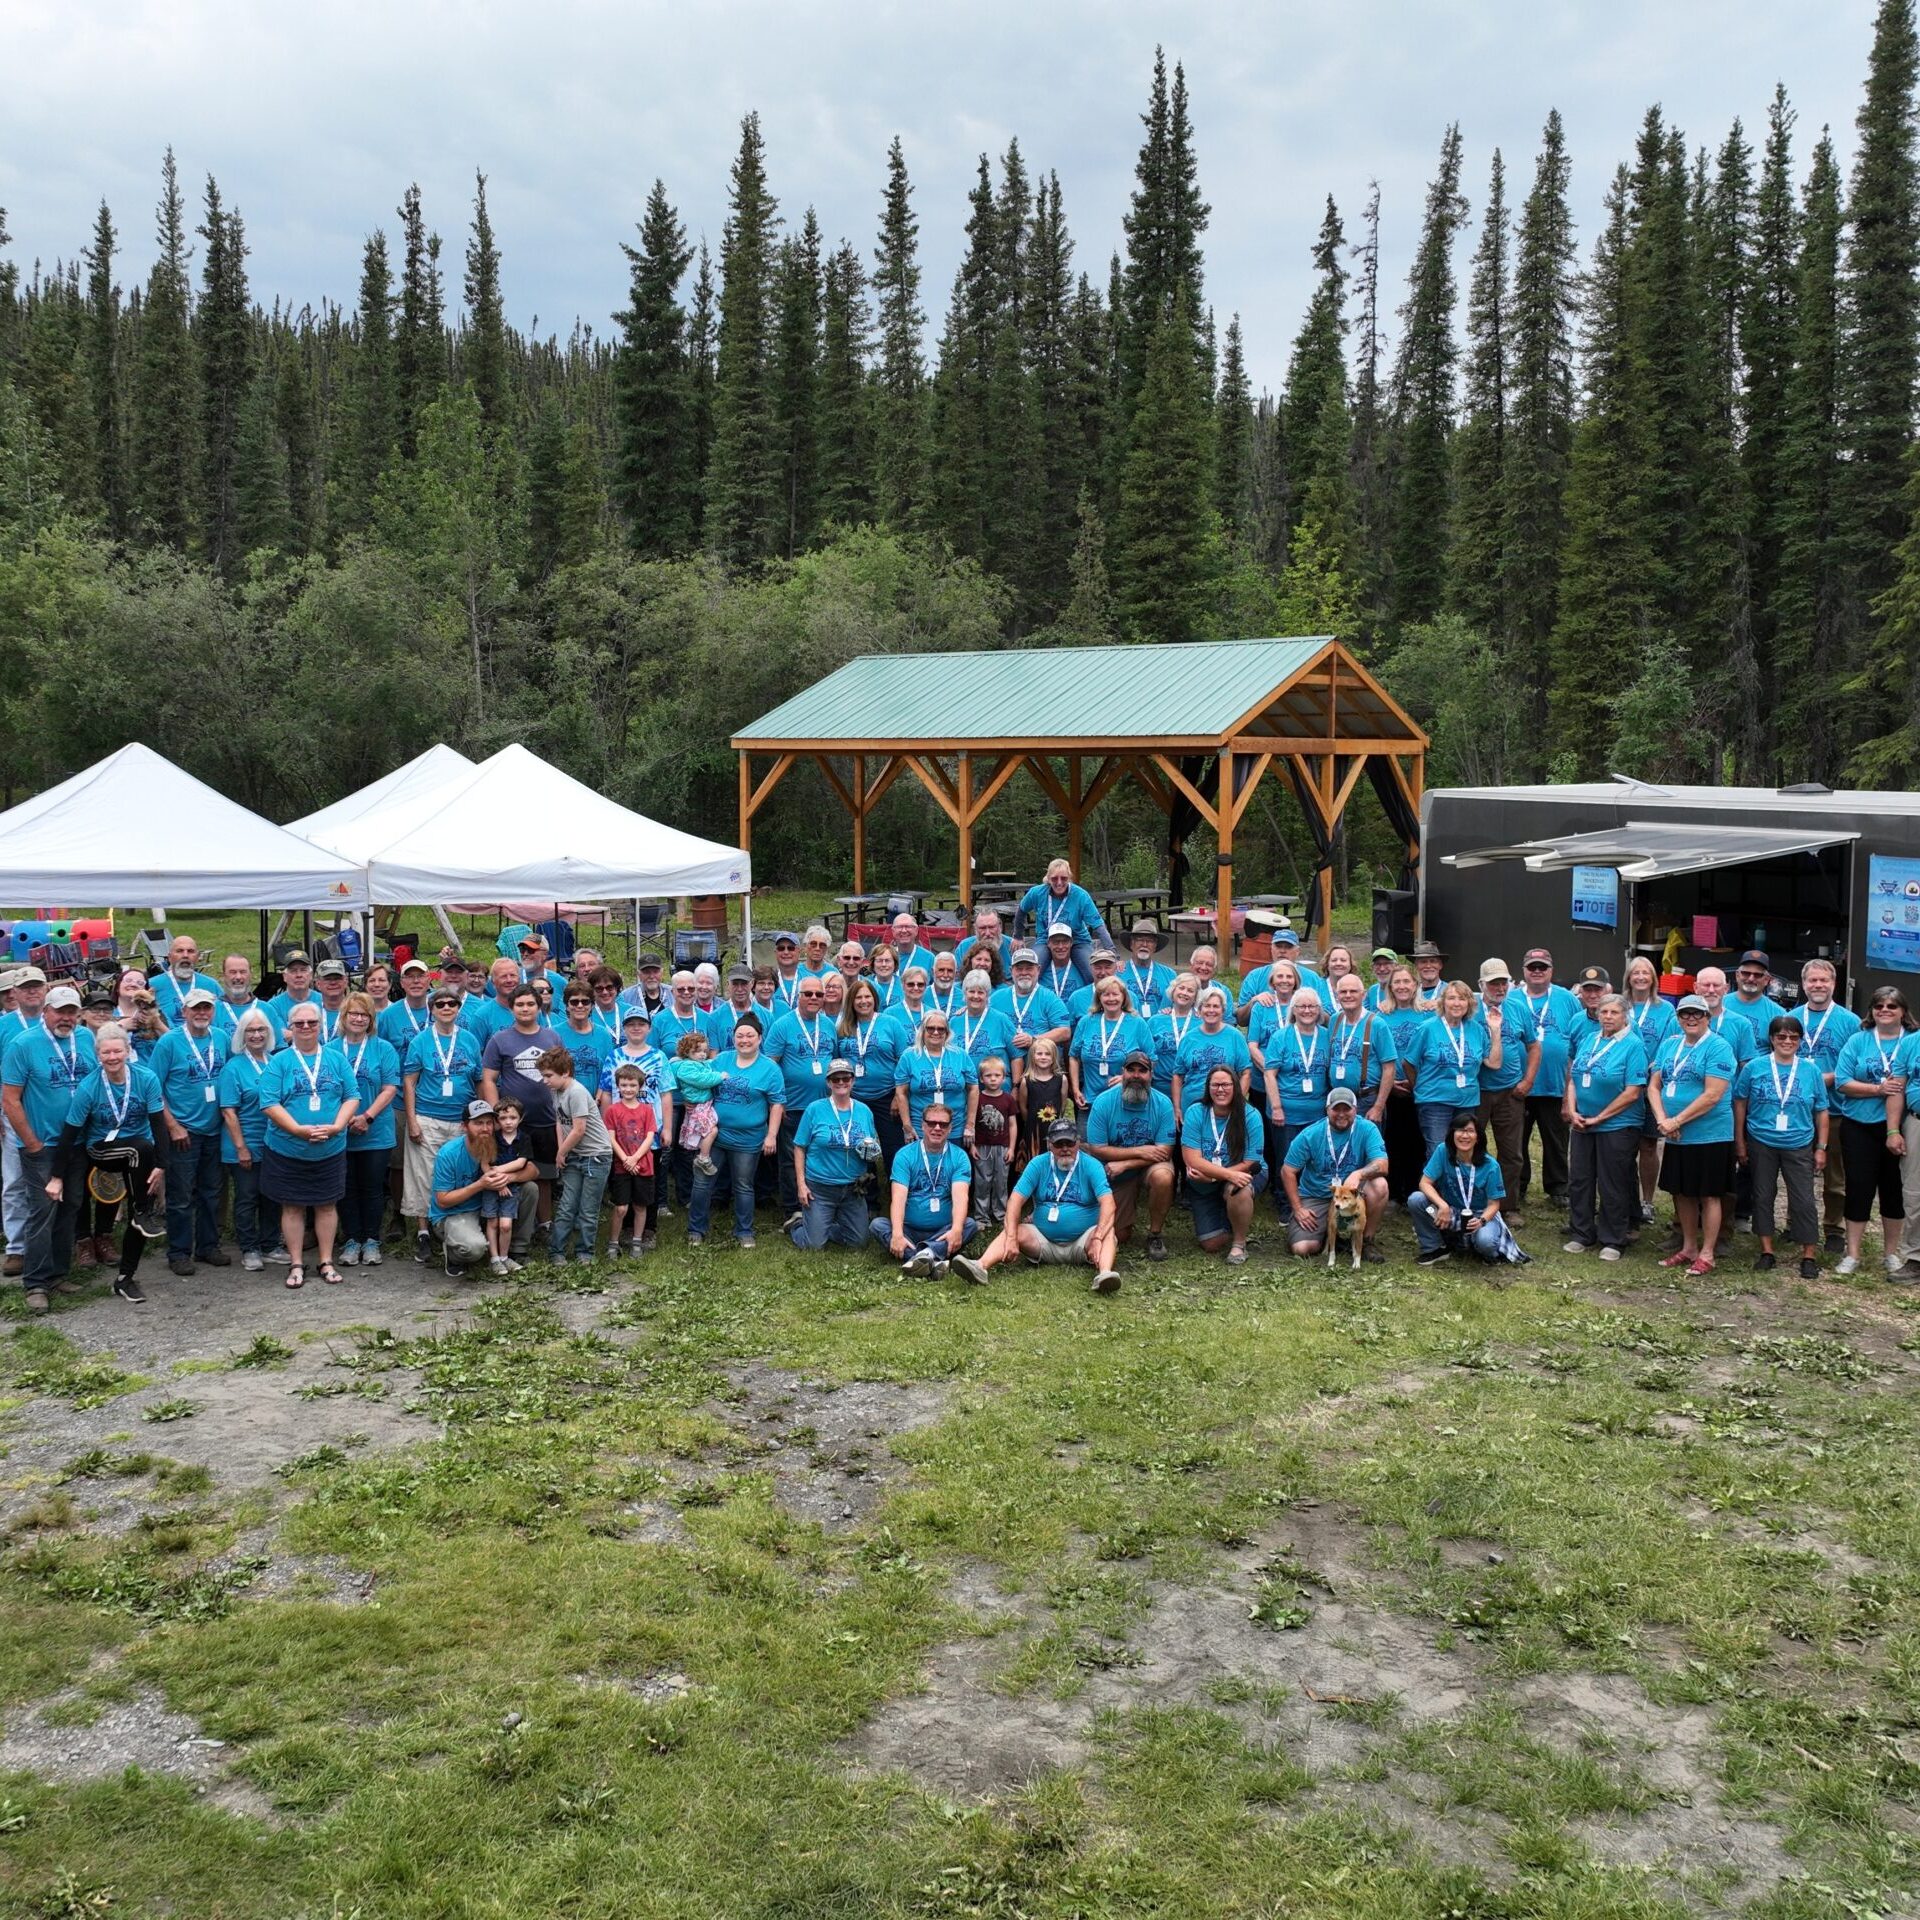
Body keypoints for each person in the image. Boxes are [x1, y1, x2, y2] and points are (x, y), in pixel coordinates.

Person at [50, 1022, 168, 1303]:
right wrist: (56, 1176)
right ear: (98, 1055)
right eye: (106, 1053)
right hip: (102, 1150)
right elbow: (69, 1134)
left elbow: (158, 1124)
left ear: (128, 1051)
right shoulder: (89, 1087)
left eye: (117, 1051)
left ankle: (125, 1278)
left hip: (140, 1157)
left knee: (140, 1211)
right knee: (140, 1150)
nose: (112, 1057)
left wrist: (162, 1166)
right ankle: (142, 1211)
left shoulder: (146, 1078)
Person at [3, 984, 99, 1312]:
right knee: (43, 1210)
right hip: (42, 1146)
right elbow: (10, 1099)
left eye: (72, 1011)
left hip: (77, 1144)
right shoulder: (24, 1044)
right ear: (46, 1011)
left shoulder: (86, 1039)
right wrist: (30, 1142)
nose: (67, 1017)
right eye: (60, 1011)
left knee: (71, 1206)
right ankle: (35, 1283)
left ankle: (58, 1273)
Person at [954, 1117, 1120, 1293]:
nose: (1065, 1149)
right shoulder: (1038, 1164)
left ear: (1078, 1142)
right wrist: (1011, 1238)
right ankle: (980, 1266)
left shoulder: (1091, 1165)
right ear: (1049, 1144)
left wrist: (1096, 1238)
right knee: (1014, 1229)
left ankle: (1104, 1275)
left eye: (1069, 1143)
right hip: (1043, 1242)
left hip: (1084, 1242)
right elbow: (1015, 1201)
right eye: (1059, 1144)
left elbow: (1108, 1204)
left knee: (1108, 1232)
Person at [258, 1003, 360, 1288]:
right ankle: (296, 1262)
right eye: (299, 1023)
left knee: (327, 1205)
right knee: (292, 1207)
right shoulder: (279, 1062)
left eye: (311, 1023)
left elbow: (352, 1095)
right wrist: (297, 1130)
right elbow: (268, 1102)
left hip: (330, 1147)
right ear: (290, 1028)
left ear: (320, 1026)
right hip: (288, 1148)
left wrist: (339, 1125)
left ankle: (326, 1261)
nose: (305, 1028)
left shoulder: (336, 1059)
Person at [1647, 994, 1738, 1277]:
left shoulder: (1718, 1047)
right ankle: (1688, 1247)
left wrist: (1677, 1119)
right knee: (1682, 1192)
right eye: (1685, 1014)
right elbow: (1654, 1085)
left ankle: (1708, 1253)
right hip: (1676, 1134)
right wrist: (1663, 1120)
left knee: (1709, 1194)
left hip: (1709, 1134)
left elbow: (1713, 1095)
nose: (1691, 1019)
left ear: (1707, 1018)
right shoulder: (1670, 1044)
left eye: (1697, 1014)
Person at [1735, 1016, 1828, 1279]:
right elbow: (1740, 1103)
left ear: (1800, 1040)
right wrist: (1740, 1141)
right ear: (1772, 1039)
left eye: (1793, 1037)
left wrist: (1821, 1146)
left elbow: (1821, 1110)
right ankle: (1767, 1250)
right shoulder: (1754, 1067)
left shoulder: (1811, 1071)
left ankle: (1808, 1254)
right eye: (1781, 1036)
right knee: (1762, 1196)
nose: (1787, 1041)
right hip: (1761, 1140)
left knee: (1804, 1200)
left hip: (1798, 1143)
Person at [147, 987, 229, 1277]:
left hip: (215, 1129)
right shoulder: (169, 1042)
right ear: (184, 1011)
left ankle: (208, 1245)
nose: (201, 1013)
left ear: (213, 1011)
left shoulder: (221, 1038)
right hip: (184, 1131)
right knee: (181, 1196)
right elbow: (153, 1090)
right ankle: (179, 1251)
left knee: (211, 1192)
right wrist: (172, 1126)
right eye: (195, 1008)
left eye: (206, 1008)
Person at [1562, 993, 1650, 1262]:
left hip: (1617, 1124)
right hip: (1582, 1122)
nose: (1608, 1017)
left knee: (1613, 1182)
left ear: (1625, 1016)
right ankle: (1582, 1232)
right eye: (1604, 1012)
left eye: (1614, 1012)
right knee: (1580, 1178)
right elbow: (1575, 1077)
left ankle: (1613, 1237)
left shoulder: (1633, 1045)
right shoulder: (1590, 1039)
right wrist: (1573, 1109)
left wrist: (1600, 1117)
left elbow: (1633, 1091)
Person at [402, 983, 486, 1264]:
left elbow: (478, 1081)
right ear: (432, 1010)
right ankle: (424, 1232)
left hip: (462, 1120)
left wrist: (483, 1118)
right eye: (440, 1004)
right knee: (424, 1176)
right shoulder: (421, 1041)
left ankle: (453, 1228)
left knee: (460, 1174)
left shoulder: (470, 1040)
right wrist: (412, 1120)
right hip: (428, 1117)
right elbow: (410, 1082)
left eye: (452, 1003)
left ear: (458, 1008)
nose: (447, 1008)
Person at [1831, 986, 1912, 1278]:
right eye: (1879, 1006)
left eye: (1892, 1006)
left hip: (1902, 1128)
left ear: (1903, 1011)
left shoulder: (1912, 1041)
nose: (1885, 1011)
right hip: (1859, 1126)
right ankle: (1852, 1253)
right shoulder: (1858, 1040)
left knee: (1894, 1190)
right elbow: (1842, 1081)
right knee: (1858, 1187)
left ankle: (1891, 1253)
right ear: (1871, 1011)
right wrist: (1877, 1089)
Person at [689, 1017, 784, 1249]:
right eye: (740, 1035)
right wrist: (691, 1100)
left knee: (743, 1184)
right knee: (703, 1181)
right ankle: (696, 1229)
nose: (745, 1040)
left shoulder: (770, 1069)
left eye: (750, 1035)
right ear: (734, 1037)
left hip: (748, 1139)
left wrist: (771, 1135)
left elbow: (777, 1104)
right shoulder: (721, 1059)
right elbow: (699, 1079)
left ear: (760, 1038)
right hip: (715, 1135)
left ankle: (744, 1231)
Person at [479, 984, 564, 1245]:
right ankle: (511, 1228)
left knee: (545, 1176)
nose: (525, 1009)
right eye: (520, 1004)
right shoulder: (500, 1040)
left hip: (547, 1119)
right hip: (513, 1125)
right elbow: (489, 1078)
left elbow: (562, 1076)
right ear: (511, 1008)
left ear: (539, 1007)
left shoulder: (551, 1037)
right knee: (513, 1174)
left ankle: (545, 1224)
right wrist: (497, 1113)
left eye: (530, 1004)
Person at [1791, 958, 1861, 1256]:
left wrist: (1818, 1080)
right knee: (1796, 1174)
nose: (1818, 985)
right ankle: (1796, 1224)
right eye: (1812, 980)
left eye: (1824, 981)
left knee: (1835, 1176)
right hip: (1796, 1111)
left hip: (1835, 1111)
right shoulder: (1791, 1017)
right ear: (1804, 984)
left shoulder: (1850, 1022)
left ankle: (1835, 1229)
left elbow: (1855, 1067)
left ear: (1834, 984)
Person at [1085, 1048, 1176, 1260]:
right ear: (1122, 1072)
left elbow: (1164, 1151)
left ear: (1151, 1075)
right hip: (1116, 1173)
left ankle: (1155, 1234)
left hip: (1145, 1166)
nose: (1136, 1075)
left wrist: (1126, 1163)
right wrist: (1141, 1151)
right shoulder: (1104, 1101)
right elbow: (1096, 1148)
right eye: (1131, 1070)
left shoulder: (1163, 1104)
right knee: (1120, 1235)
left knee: (1163, 1176)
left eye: (1142, 1071)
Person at [1281, 1084, 1390, 1261]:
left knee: (1379, 1185)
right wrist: (1298, 1208)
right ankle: (1329, 1234)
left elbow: (1382, 1165)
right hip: (1318, 1195)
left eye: (1346, 1109)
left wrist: (1358, 1174)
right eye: (1335, 1109)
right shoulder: (1311, 1134)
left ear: (1355, 1110)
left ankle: (1366, 1240)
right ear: (1327, 1110)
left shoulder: (1368, 1129)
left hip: (1352, 1193)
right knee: (1302, 1248)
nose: (1341, 1114)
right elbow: (1288, 1171)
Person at [765, 974, 839, 1227]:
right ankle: (793, 1209)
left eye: (819, 994)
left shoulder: (828, 1025)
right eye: (808, 994)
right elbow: (771, 1065)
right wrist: (777, 1101)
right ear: (799, 997)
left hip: (824, 1105)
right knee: (790, 1158)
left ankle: (820, 1203)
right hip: (793, 1105)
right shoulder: (783, 1025)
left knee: (820, 1154)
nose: (814, 999)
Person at [429, 1101, 533, 1277]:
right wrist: (480, 1185)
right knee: (474, 1249)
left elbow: (533, 1170)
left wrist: (509, 1178)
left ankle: (516, 1250)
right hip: (455, 1213)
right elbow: (443, 1200)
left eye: (489, 1123)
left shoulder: (500, 1142)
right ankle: (453, 1252)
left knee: (530, 1189)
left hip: (488, 1206)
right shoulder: (449, 1153)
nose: (485, 1128)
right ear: (464, 1126)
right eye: (478, 1123)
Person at [335, 992, 400, 1268]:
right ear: (344, 1018)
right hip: (340, 1131)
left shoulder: (383, 1048)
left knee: (372, 1187)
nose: (359, 1019)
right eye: (354, 1014)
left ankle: (372, 1240)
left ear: (371, 1019)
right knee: (346, 1187)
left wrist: (367, 1117)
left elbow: (389, 1087)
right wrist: (344, 1120)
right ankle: (352, 1239)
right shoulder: (330, 1049)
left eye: (364, 1014)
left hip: (375, 1130)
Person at [872, 1102, 976, 1275]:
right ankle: (933, 1256)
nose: (937, 1128)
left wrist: (956, 1229)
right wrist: (897, 1233)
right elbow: (898, 1198)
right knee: (878, 1225)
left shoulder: (959, 1157)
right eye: (931, 1123)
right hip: (909, 1230)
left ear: (950, 1129)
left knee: (968, 1225)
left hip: (943, 1230)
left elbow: (961, 1198)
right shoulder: (905, 1155)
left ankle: (920, 1257)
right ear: (922, 1126)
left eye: (943, 1124)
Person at [1180, 1064, 1268, 1264]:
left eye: (1226, 1085)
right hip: (1203, 1180)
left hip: (1244, 1172)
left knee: (1238, 1189)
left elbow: (1250, 1162)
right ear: (1208, 1088)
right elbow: (1192, 1160)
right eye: (1215, 1085)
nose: (1220, 1090)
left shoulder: (1251, 1115)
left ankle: (1239, 1244)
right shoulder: (1195, 1112)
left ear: (1236, 1087)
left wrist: (1214, 1176)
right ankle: (1231, 1214)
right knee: (1212, 1243)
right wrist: (1221, 1176)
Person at [1401, 981, 1501, 1154]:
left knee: (1464, 1152)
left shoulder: (1476, 1029)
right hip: (1434, 1101)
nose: (1456, 1003)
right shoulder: (1427, 1028)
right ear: (1443, 1002)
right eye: (1451, 998)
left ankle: (1460, 1182)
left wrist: (1496, 1031)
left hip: (1467, 1102)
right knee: (1438, 1151)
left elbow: (1494, 1063)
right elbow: (1408, 1062)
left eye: (1462, 999)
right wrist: (1419, 1086)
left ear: (1469, 1003)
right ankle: (1434, 1182)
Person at [791, 1057, 881, 1250]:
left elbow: (872, 1146)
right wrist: (801, 1184)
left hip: (853, 1189)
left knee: (859, 1243)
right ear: (828, 1082)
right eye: (835, 1079)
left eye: (846, 1078)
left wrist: (872, 1152)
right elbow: (799, 1146)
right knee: (814, 1245)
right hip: (820, 1189)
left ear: (853, 1081)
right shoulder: (815, 1109)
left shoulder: (864, 1111)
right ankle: (798, 1226)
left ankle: (825, 1226)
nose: (841, 1083)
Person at [218, 1006, 282, 1272]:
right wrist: (241, 1147)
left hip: (274, 1143)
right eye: (251, 1030)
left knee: (272, 1195)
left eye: (261, 1029)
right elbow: (228, 1111)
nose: (256, 1035)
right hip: (244, 1143)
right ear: (242, 1035)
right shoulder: (234, 1067)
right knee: (247, 1197)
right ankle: (249, 1248)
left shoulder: (275, 1061)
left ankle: (269, 1245)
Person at [1474, 960, 1540, 1210]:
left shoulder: (1518, 1008)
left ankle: (1508, 1206)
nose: (1499, 988)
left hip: (1510, 1092)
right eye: (1493, 983)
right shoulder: (1470, 1008)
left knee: (1511, 1153)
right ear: (1481, 985)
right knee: (1472, 1147)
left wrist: (1528, 1080)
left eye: (1503, 982)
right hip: (1476, 1091)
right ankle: (1474, 1202)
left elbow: (1533, 1046)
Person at [1408, 1110, 1509, 1265]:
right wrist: (1442, 1205)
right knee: (1417, 1200)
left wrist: (1481, 1221)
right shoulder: (1443, 1151)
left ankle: (1483, 1249)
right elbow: (1424, 1183)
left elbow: (1494, 1204)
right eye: (1460, 1130)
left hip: (1480, 1215)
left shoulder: (1491, 1166)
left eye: (1470, 1131)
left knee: (1486, 1242)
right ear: (1452, 1134)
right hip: (1449, 1211)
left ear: (1478, 1138)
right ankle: (1434, 1248)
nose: (1464, 1136)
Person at [543, 1047, 614, 1264]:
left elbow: (579, 1129)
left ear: (565, 1072)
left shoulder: (576, 1092)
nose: (545, 1081)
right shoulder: (556, 1091)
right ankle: (557, 1251)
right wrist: (561, 1150)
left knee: (588, 1208)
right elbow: (559, 1121)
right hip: (574, 1153)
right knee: (566, 1206)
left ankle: (585, 1252)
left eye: (548, 1076)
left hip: (596, 1156)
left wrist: (562, 1152)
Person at [1623, 956, 1681, 1223]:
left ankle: (1647, 1201)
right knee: (1621, 1144)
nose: (1641, 977)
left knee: (1648, 1145)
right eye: (1636, 972)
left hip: (1651, 1084)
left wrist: (1652, 1071)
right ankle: (1622, 1198)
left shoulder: (1666, 1010)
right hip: (1621, 1085)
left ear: (1654, 978)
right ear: (1628, 977)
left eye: (1646, 973)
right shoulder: (1619, 1005)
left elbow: (1669, 1047)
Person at [1254, 986, 1333, 1162]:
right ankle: (1282, 1190)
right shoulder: (1280, 1037)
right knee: (1287, 1161)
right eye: (1301, 1006)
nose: (1307, 1011)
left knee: (1316, 1161)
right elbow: (1269, 1074)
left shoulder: (1327, 1036)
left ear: (1319, 1010)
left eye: (1312, 1006)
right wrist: (1276, 1108)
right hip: (1286, 1114)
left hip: (1318, 1113)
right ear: (1293, 1010)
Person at [1378, 964, 1430, 1200]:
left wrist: (1414, 1082)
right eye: (1396, 982)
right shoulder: (1382, 1016)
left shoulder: (1428, 1014)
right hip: (1390, 1087)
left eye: (1406, 981)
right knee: (1392, 1139)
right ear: (1390, 987)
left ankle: (1413, 1189)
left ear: (1416, 985)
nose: (1401, 986)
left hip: (1420, 1087)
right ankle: (1393, 1190)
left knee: (1417, 1139)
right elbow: (1375, 1055)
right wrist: (1389, 1083)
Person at [895, 1010, 980, 1149]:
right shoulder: (909, 1056)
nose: (936, 1032)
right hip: (921, 1126)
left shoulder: (960, 1055)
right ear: (923, 1030)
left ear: (947, 1032)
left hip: (955, 1126)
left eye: (941, 1029)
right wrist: (907, 1126)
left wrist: (970, 1125)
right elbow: (901, 1093)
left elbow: (973, 1089)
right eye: (931, 1028)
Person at [1014, 860, 1109, 979]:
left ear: (1069, 878)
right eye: (1054, 879)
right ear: (1048, 878)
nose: (1059, 883)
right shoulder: (1037, 893)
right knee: (1032, 972)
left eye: (1064, 878)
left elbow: (1098, 926)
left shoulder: (1080, 895)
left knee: (1092, 974)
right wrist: (1017, 936)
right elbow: (1021, 910)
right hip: (1046, 939)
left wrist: (1113, 952)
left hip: (1077, 940)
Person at [1326, 971, 1399, 1129]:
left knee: (1367, 1150)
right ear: (1337, 995)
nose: (1348, 995)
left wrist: (1378, 1107)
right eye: (1343, 992)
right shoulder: (1334, 1020)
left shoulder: (1377, 1024)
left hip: (1366, 1100)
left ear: (1363, 995)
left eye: (1353, 991)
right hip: (1337, 1100)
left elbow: (1389, 1068)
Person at [1071, 977, 1150, 1113]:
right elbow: (1073, 1056)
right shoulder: (1086, 1021)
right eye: (1106, 994)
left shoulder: (1137, 1023)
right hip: (1089, 1101)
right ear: (1099, 998)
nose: (1111, 998)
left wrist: (1128, 1077)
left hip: (1125, 1100)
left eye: (1115, 994)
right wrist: (1076, 1089)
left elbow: (1152, 1060)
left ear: (1124, 997)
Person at [603, 1063, 658, 1257]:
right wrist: (626, 1159)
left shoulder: (647, 1110)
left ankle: (637, 1241)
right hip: (621, 1166)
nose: (628, 1089)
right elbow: (610, 1138)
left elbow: (650, 1137)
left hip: (643, 1165)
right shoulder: (612, 1110)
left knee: (640, 1206)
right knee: (621, 1207)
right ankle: (613, 1242)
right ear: (618, 1086)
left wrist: (634, 1158)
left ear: (640, 1086)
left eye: (632, 1085)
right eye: (624, 1085)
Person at [970, 1053, 1020, 1229]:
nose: (993, 1079)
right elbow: (972, 1124)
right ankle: (981, 1216)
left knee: (1001, 1181)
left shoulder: (1008, 1099)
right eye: (988, 1076)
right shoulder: (977, 1098)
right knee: (982, 1181)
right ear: (981, 1078)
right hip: (982, 1147)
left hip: (1002, 1147)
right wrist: (973, 1146)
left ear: (1004, 1077)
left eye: (997, 1075)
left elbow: (1013, 1125)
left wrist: (1011, 1148)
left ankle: (1000, 1213)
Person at [669, 1034, 726, 1177]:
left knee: (705, 1131)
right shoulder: (686, 1067)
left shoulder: (699, 1063)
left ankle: (701, 1155)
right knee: (711, 1131)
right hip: (698, 1105)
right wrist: (720, 1076)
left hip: (704, 1103)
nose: (702, 1054)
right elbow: (703, 1080)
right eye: (697, 1051)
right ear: (686, 1051)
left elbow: (710, 1064)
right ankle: (703, 1158)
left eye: (704, 1051)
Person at [953, 970, 1017, 1085]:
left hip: (997, 1093)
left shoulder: (1001, 1020)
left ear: (987, 995)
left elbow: (1016, 1055)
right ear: (964, 993)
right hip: (964, 1091)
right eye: (971, 991)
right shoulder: (954, 1021)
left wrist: (1016, 1087)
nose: (976, 996)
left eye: (980, 992)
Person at [1019, 1037, 1068, 1165]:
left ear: (1054, 1057)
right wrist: (1031, 1120)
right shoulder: (1026, 1080)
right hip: (1033, 1129)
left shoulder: (1061, 1079)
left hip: (1054, 1129)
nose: (1043, 1057)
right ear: (1033, 1056)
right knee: (1034, 1161)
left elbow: (1063, 1104)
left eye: (1047, 1054)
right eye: (1039, 1053)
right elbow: (1023, 1107)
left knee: (1053, 1160)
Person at [151, 934, 220, 1023]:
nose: (185, 955)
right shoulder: (153, 985)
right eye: (179, 951)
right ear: (169, 957)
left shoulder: (211, 985)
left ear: (198, 957)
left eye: (190, 951)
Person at [111, 967, 168, 1064]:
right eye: (128, 980)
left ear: (146, 990)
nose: (133, 984)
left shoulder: (157, 1013)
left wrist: (157, 1023)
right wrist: (119, 1028)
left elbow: (173, 1042)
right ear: (117, 987)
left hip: (150, 1073)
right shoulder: (105, 1013)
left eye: (140, 983)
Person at [380, 957, 437, 1053]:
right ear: (401, 983)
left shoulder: (442, 1008)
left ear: (429, 980)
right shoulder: (388, 1015)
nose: (415, 981)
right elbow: (381, 1052)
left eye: (421, 976)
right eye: (409, 976)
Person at [1120, 921, 1175, 1017]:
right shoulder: (1118, 972)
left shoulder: (1170, 975)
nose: (1144, 944)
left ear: (1155, 946)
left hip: (1159, 1028)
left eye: (1150, 941)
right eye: (1139, 940)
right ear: (1131, 944)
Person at [1728, 950, 1786, 1041]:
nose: (1751, 979)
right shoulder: (1720, 1005)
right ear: (1737, 975)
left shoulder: (1778, 1014)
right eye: (1746, 973)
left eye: (1757, 975)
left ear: (1767, 980)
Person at [266, 951, 319, 1030]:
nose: (299, 975)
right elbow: (280, 1036)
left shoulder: (323, 1001)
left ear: (311, 975)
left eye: (303, 970)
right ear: (284, 977)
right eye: (293, 971)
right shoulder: (273, 1006)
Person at [1038, 924, 1088, 1002]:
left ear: (1071, 942)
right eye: (1056, 942)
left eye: (1065, 942)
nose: (1061, 946)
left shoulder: (1083, 969)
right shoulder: (1040, 971)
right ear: (1048, 943)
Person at [886, 914, 938, 986]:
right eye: (899, 927)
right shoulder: (885, 958)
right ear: (893, 931)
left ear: (916, 930)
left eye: (908, 926)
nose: (904, 930)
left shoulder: (929, 958)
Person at [312, 958, 353, 1042]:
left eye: (337, 978)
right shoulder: (309, 1012)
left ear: (345, 981)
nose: (333, 982)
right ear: (318, 984)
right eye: (327, 979)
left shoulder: (357, 1011)